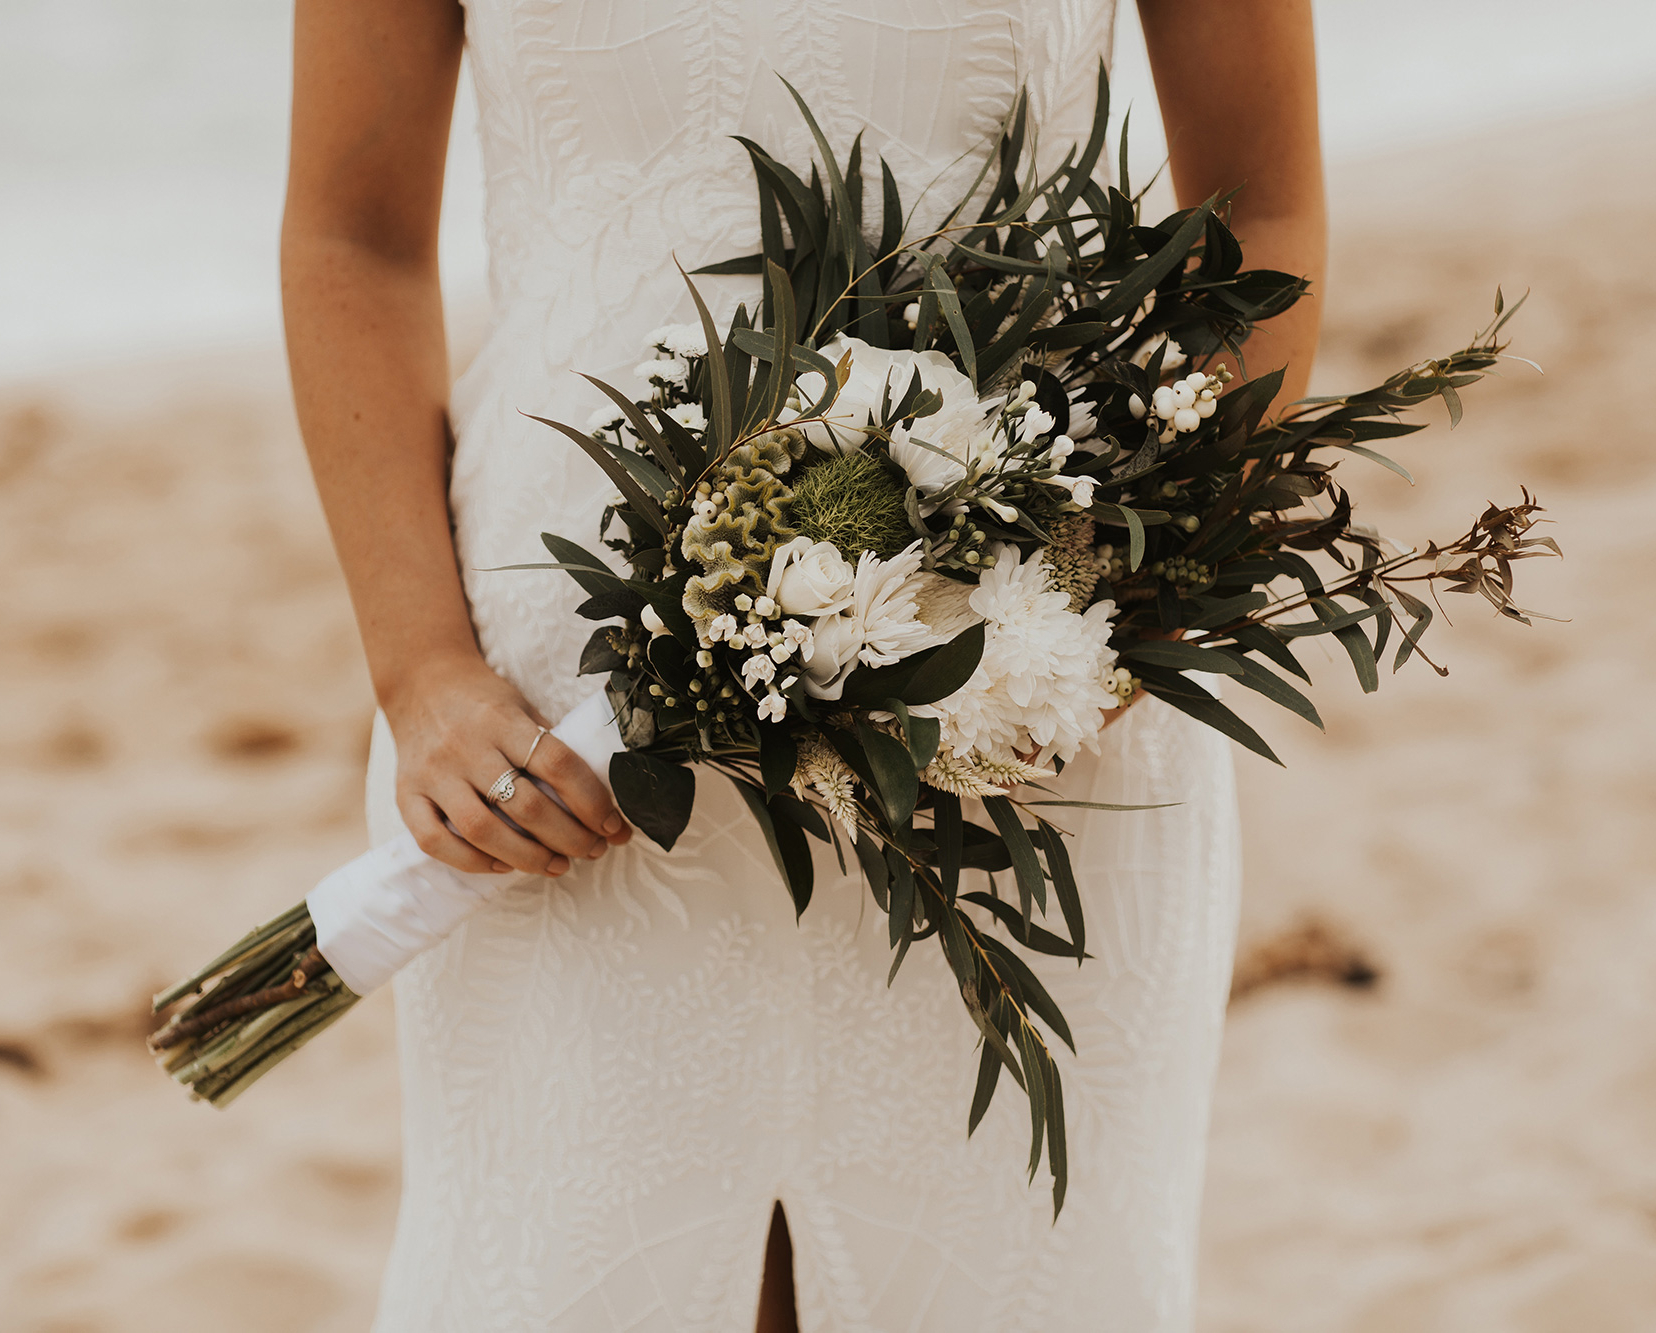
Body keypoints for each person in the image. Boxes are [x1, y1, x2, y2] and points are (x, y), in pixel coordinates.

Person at [280, 3, 1324, 1329]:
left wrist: (1109, 611)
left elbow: (1264, 215)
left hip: (1026, 658)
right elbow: (351, 237)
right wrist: (421, 669)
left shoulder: (1055, 643)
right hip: (557, 709)